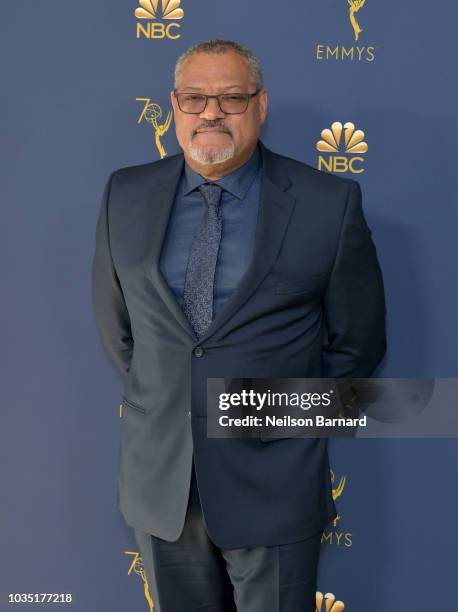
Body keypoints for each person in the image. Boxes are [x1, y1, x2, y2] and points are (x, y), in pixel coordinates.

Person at [91, 39, 386, 612]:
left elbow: (359, 346)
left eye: (230, 98)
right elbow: (122, 332)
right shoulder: (124, 194)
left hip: (275, 486)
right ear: (174, 106)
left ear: (260, 105)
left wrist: (263, 417)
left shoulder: (329, 202)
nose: (211, 113)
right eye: (195, 98)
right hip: (162, 487)